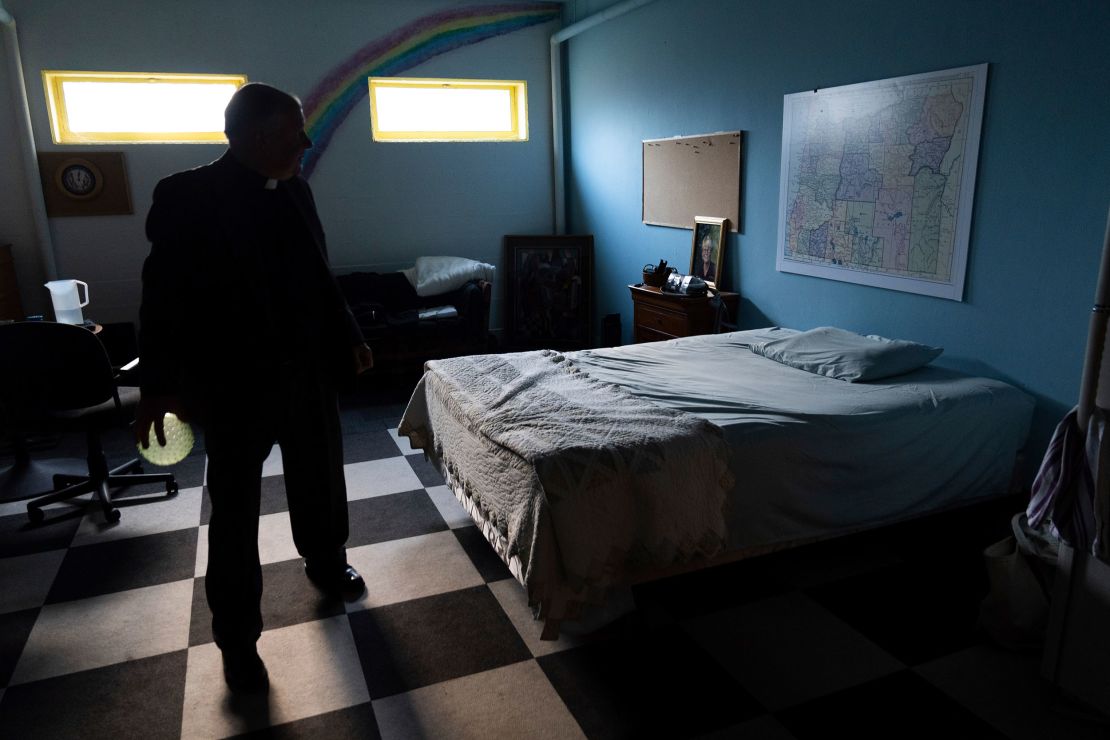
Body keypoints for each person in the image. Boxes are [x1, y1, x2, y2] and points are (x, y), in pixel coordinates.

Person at [135, 82, 374, 693]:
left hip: (307, 374)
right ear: (262, 135)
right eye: (298, 129)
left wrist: (348, 334)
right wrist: (158, 391)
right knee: (235, 514)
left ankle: (325, 560)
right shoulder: (186, 196)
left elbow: (321, 272)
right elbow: (160, 303)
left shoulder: (296, 186)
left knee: (321, 479)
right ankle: (237, 638)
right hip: (232, 388)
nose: (308, 140)